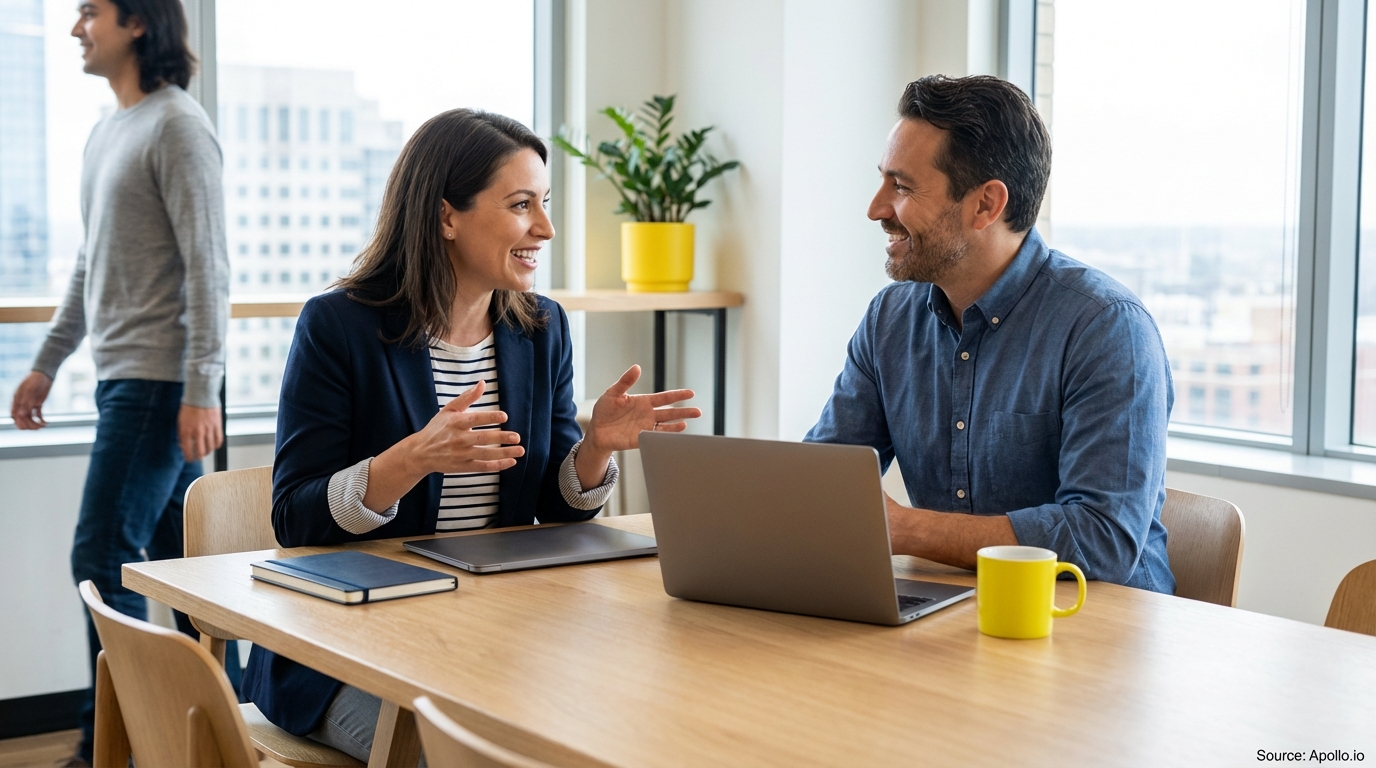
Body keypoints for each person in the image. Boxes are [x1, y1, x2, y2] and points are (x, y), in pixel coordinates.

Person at [241, 108, 701, 761]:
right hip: (351, 654)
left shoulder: (541, 328)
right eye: (521, 205)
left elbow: (550, 505)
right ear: (446, 216)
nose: (544, 228)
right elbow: (296, 519)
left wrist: (594, 449)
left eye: (544, 204)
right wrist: (409, 460)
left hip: (495, 640)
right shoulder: (337, 326)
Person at [806, 75, 1175, 593]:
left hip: (1093, 627)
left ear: (985, 205)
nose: (876, 208)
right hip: (953, 610)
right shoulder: (889, 319)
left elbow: (1102, 540)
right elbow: (823, 483)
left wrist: (908, 529)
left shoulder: (1106, 327)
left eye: (903, 187)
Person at [6, 0, 230, 763]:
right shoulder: (109, 131)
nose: (75, 28)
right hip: (125, 381)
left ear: (137, 21)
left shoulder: (178, 127)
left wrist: (203, 386)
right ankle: (217, 733)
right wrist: (48, 359)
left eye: (88, 11)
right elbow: (88, 265)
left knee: (102, 560)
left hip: (160, 385)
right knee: (188, 574)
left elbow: (210, 268)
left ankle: (117, 742)